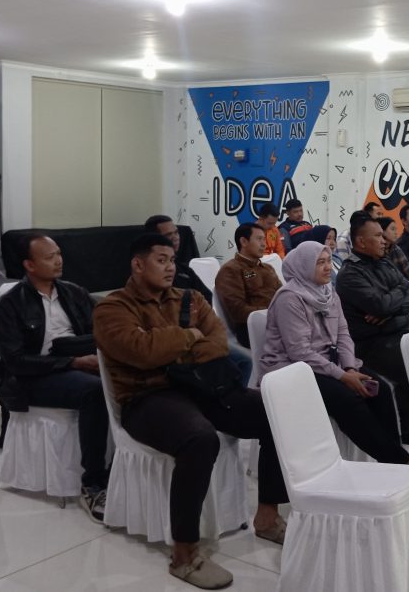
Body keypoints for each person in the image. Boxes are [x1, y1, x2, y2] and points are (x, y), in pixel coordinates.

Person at [93, 233, 289, 590]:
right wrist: (188, 337)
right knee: (200, 438)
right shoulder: (112, 308)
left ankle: (267, 515)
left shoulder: (191, 298)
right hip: (146, 398)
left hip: (201, 387)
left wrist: (173, 346)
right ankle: (184, 554)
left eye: (172, 260)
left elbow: (218, 345)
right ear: (138, 264)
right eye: (161, 260)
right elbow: (140, 351)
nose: (170, 267)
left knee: (275, 413)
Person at [257, 242, 409, 464]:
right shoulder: (289, 298)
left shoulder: (329, 292)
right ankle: (399, 461)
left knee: (380, 390)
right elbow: (299, 351)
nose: (328, 267)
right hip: (293, 368)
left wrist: (349, 367)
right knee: (348, 398)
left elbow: (343, 334)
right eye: (320, 262)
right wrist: (342, 376)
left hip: (329, 361)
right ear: (304, 267)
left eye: (329, 260)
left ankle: (390, 460)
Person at [0, 233, 109, 522]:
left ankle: (122, 469)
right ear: (29, 265)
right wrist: (72, 362)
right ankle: (93, 483)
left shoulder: (73, 292)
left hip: (77, 363)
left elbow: (104, 324)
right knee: (95, 391)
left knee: (127, 381)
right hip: (30, 378)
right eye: (49, 257)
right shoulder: (10, 305)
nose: (58, 260)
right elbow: (15, 362)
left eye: (58, 253)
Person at [336, 212, 409, 445]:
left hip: (397, 333)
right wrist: (394, 300)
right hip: (371, 343)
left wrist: (389, 311)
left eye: (383, 236)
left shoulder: (384, 262)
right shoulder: (350, 274)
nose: (384, 241)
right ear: (361, 242)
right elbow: (380, 305)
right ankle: (400, 422)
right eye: (378, 236)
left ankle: (408, 414)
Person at [147, 214, 253, 385]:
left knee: (244, 361)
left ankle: (231, 397)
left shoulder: (184, 270)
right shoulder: (150, 277)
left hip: (201, 333)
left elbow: (206, 298)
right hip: (178, 342)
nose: (175, 238)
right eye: (168, 235)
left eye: (176, 233)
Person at [214, 223, 281, 349]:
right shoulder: (230, 270)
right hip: (251, 330)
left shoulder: (268, 268)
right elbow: (238, 311)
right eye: (259, 239)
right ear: (244, 242)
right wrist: (273, 313)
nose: (264, 244)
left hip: (277, 322)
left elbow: (282, 295)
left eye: (264, 239)